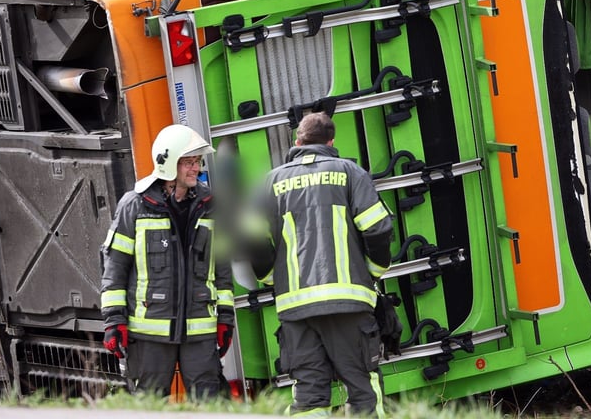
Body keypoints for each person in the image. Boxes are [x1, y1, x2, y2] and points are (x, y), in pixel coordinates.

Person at [243, 112, 393, 417]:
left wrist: (271, 277)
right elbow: (377, 228)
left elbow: (250, 237)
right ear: (331, 142)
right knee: (363, 389)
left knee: (309, 396)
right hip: (348, 303)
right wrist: (373, 272)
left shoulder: (270, 181)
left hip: (296, 309)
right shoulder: (350, 173)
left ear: (297, 142)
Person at [99, 124, 235, 398]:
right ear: (168, 163)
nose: (196, 168)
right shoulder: (135, 205)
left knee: (212, 406)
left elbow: (221, 269)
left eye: (197, 161)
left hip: (200, 330)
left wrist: (225, 318)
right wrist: (114, 321)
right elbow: (114, 269)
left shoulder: (211, 205)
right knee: (150, 407)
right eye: (189, 162)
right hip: (150, 333)